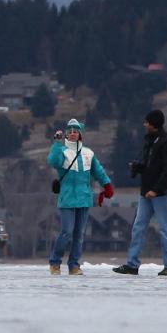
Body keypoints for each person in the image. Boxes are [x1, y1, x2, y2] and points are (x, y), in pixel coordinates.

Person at [113, 109, 167, 276]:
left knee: (164, 228)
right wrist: (139, 168)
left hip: (161, 193)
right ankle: (132, 264)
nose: (144, 125)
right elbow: (153, 168)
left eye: (147, 122)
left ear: (153, 124)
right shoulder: (151, 142)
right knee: (138, 227)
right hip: (146, 192)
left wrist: (156, 190)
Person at [46, 118, 113, 276]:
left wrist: (107, 185)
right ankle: (55, 262)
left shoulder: (88, 153)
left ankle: (74, 265)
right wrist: (56, 143)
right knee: (66, 231)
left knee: (79, 235)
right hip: (68, 198)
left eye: (76, 131)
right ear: (66, 135)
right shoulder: (62, 152)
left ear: (80, 134)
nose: (73, 134)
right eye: (70, 132)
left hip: (84, 198)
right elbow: (53, 161)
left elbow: (98, 171)